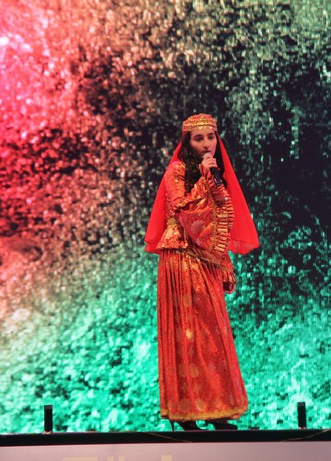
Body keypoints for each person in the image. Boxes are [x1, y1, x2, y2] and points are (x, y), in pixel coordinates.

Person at [144, 113, 259, 431]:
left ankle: (216, 409)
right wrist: (207, 179)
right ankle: (187, 411)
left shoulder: (215, 174)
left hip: (205, 258)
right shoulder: (177, 171)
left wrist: (224, 263)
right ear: (187, 143)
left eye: (211, 137)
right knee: (188, 334)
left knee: (212, 334)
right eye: (199, 139)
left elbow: (220, 220)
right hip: (182, 257)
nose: (207, 144)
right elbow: (185, 212)